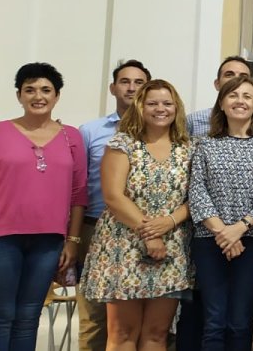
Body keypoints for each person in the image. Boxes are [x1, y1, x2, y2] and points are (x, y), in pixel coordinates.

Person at [0, 62, 87, 351]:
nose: (38, 96)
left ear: (57, 96)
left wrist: (72, 241)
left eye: (46, 90)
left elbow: (79, 194)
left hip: (48, 242)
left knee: (29, 317)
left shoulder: (72, 137)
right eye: (29, 89)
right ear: (19, 95)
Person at [81, 79, 194, 351]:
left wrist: (168, 222)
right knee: (122, 332)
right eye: (152, 103)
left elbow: (194, 199)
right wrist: (149, 234)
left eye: (167, 103)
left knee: (157, 332)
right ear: (141, 107)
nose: (160, 109)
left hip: (171, 246)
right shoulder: (123, 143)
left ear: (176, 108)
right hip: (125, 245)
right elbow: (113, 196)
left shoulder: (188, 147)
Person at [189, 76, 253, 350]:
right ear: (222, 103)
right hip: (209, 240)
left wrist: (240, 228)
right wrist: (223, 232)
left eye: (247, 96)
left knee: (240, 321)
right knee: (214, 320)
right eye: (233, 95)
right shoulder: (203, 144)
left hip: (251, 239)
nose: (240, 101)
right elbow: (197, 192)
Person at [77, 59, 151, 351]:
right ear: (113, 87)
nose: (131, 88)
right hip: (96, 229)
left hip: (148, 233)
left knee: (144, 319)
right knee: (95, 318)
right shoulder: (91, 131)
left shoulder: (160, 130)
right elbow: (78, 186)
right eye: (125, 81)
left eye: (139, 82)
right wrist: (72, 237)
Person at [186, 55, 253, 137]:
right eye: (229, 75)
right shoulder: (194, 120)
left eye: (243, 76)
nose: (236, 79)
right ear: (217, 84)